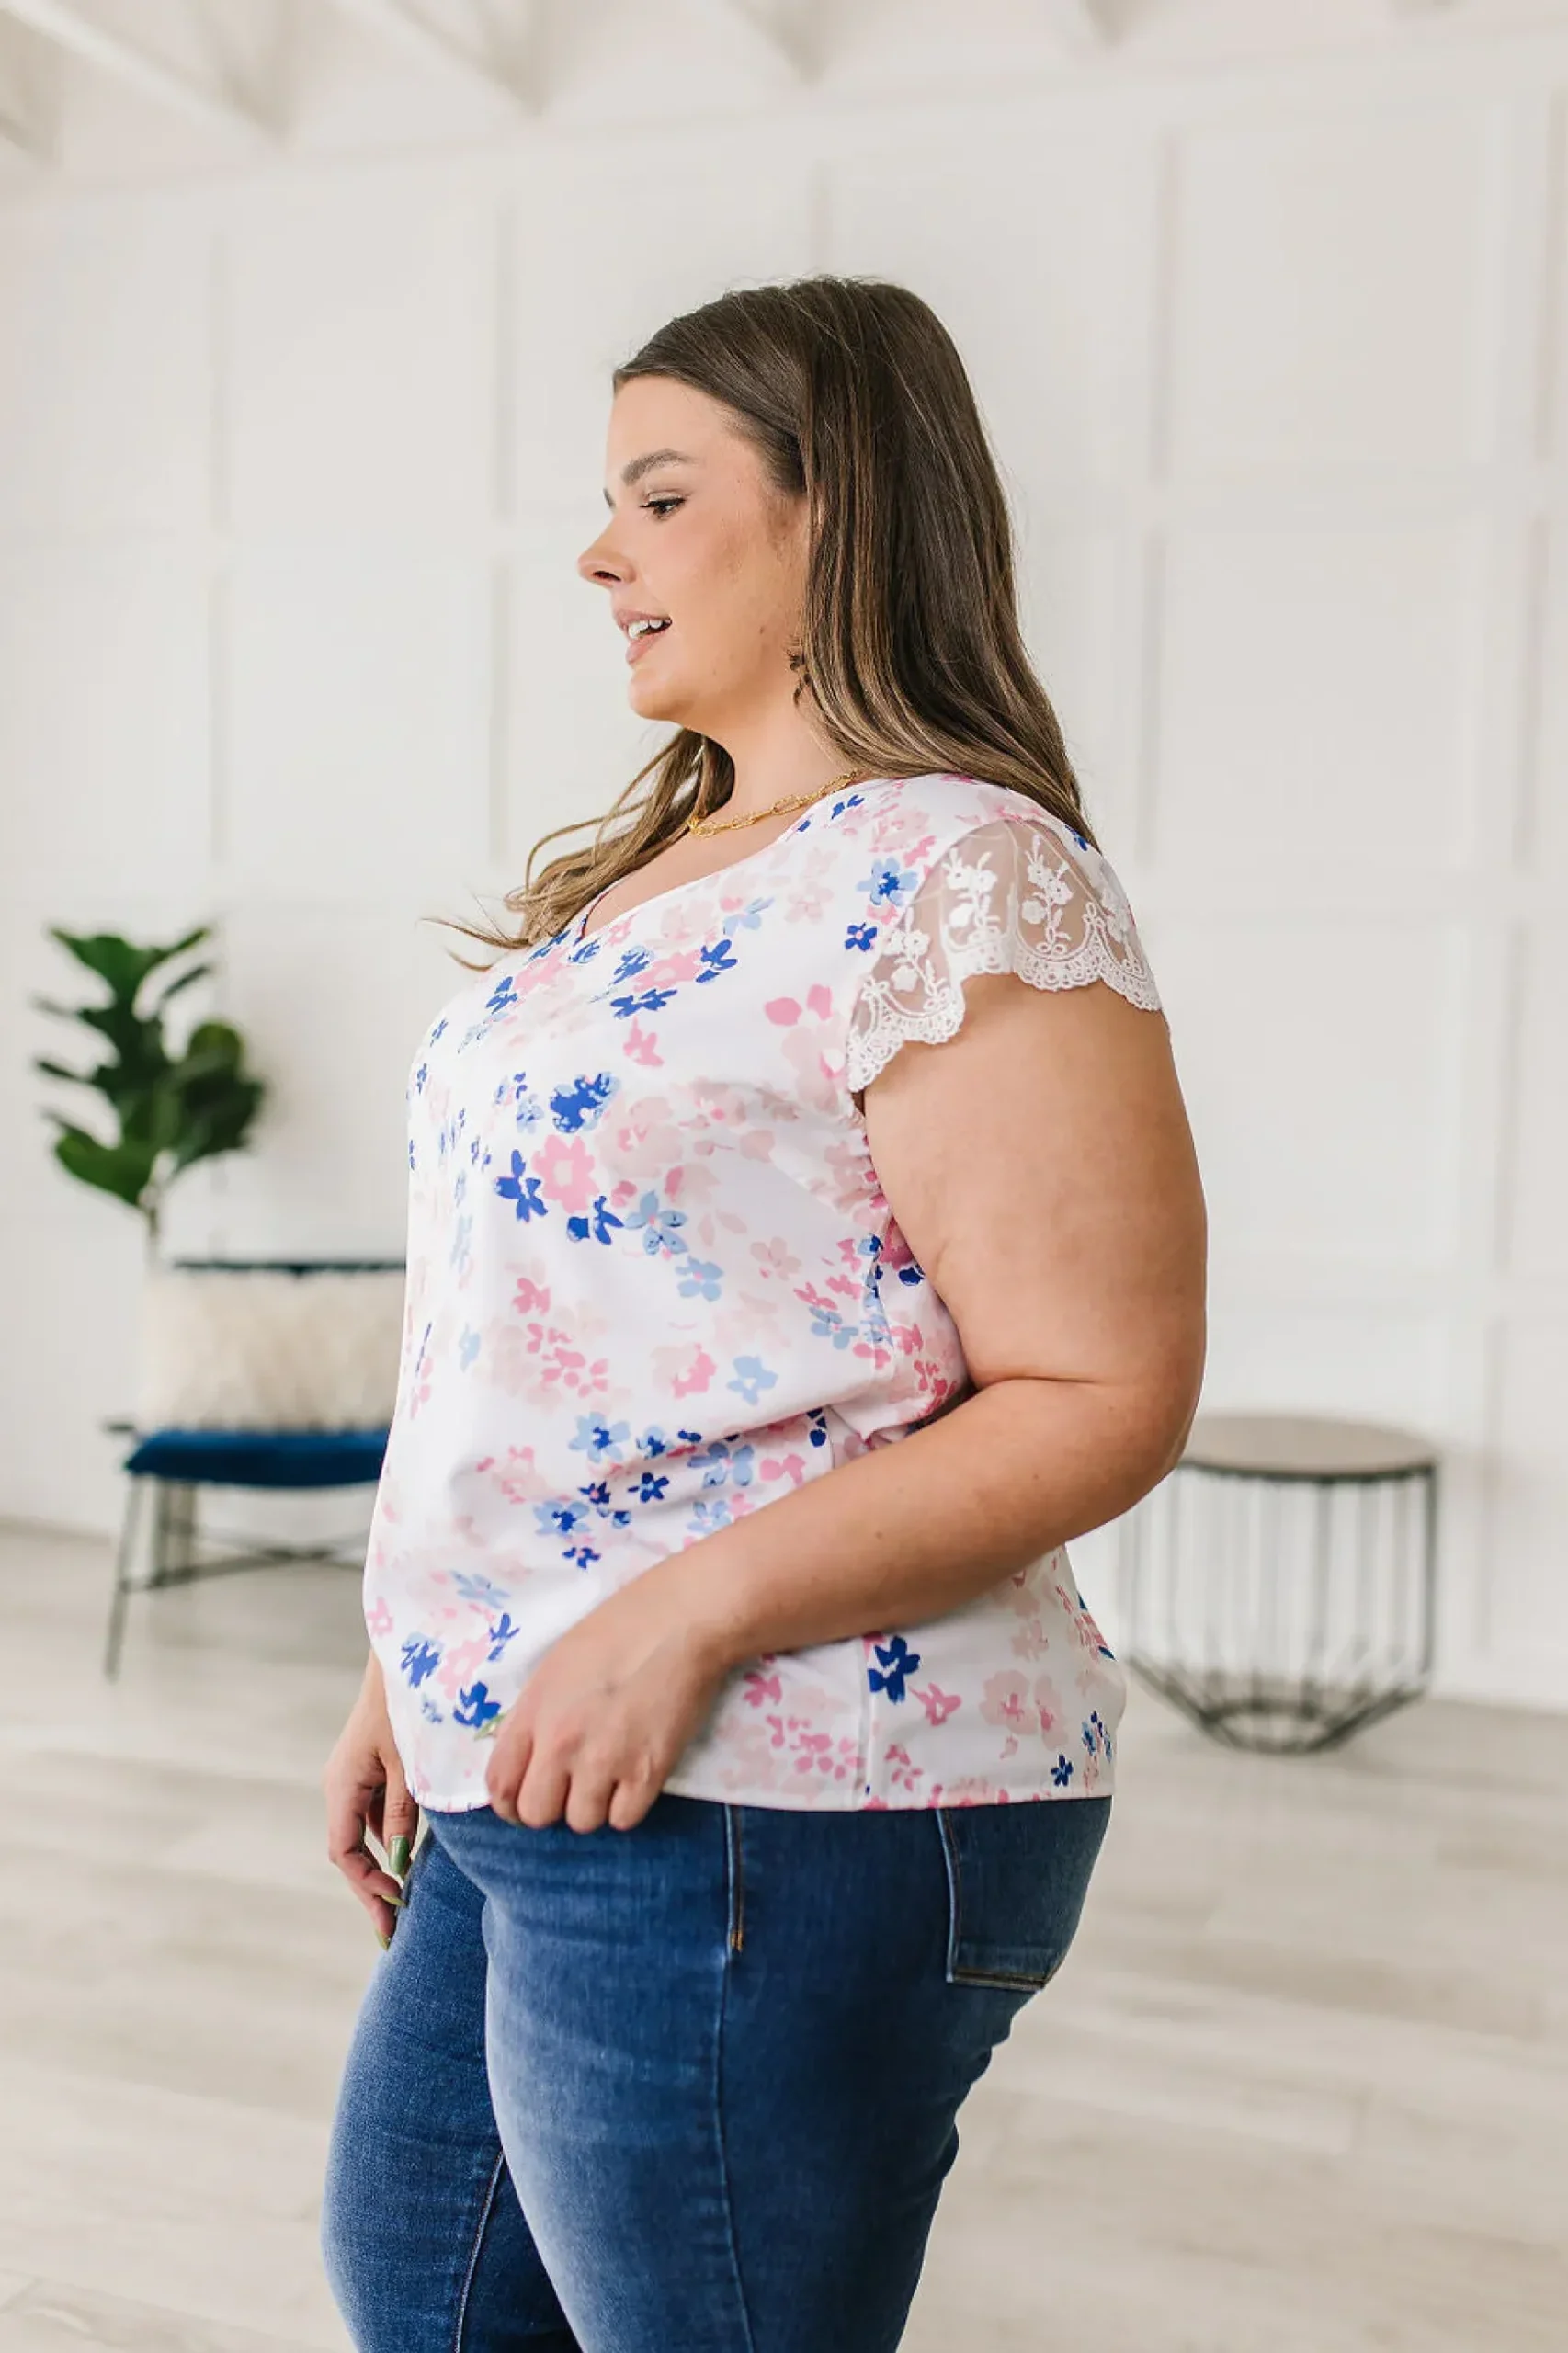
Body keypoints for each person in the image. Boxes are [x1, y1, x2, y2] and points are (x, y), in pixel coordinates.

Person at [319, 274, 1206, 2352]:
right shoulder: (661, 874)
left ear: (838, 513)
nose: (595, 549)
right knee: (432, 2304)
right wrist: (407, 1643)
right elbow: (533, 1322)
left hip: (790, 1784)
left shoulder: (961, 870)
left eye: (658, 492)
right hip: (535, 1745)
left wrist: (673, 1615)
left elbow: (1101, 1382)